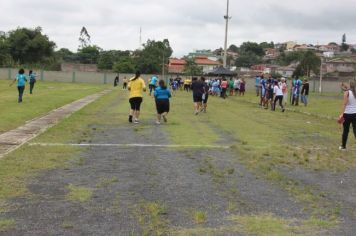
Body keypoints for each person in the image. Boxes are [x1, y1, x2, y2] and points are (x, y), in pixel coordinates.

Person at [339, 81, 356, 150]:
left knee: (346, 131)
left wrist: (341, 114)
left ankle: (343, 147)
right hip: (355, 114)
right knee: (355, 130)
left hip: (347, 114)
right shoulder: (353, 92)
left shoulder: (347, 93)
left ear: (349, 85)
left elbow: (345, 104)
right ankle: (343, 146)